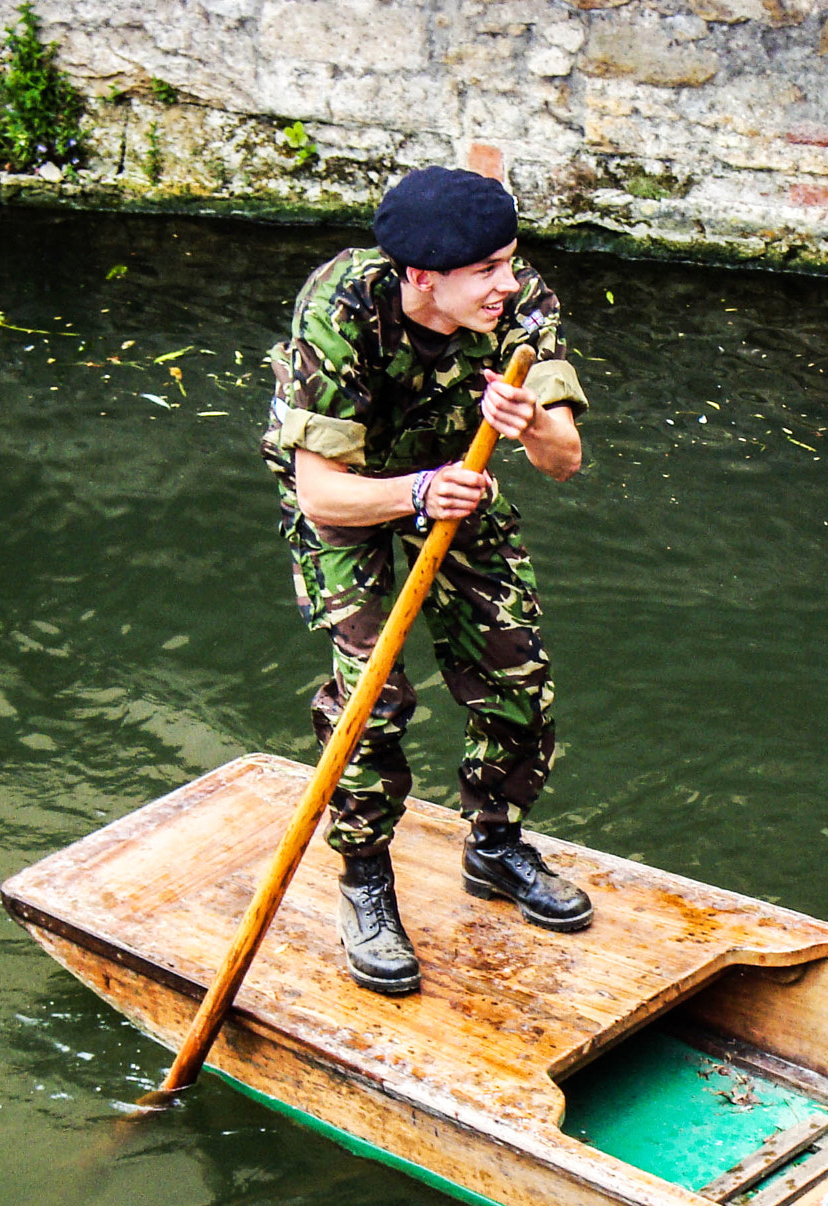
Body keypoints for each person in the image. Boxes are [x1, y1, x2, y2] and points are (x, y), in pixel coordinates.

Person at [261, 166, 592, 997]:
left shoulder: (518, 307)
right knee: (374, 695)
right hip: (358, 486)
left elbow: (565, 462)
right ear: (421, 279)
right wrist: (411, 495)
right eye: (485, 271)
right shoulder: (342, 311)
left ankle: (496, 844)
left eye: (510, 262)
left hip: (459, 471)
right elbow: (319, 492)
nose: (507, 283)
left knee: (518, 673)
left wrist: (528, 425)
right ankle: (365, 883)